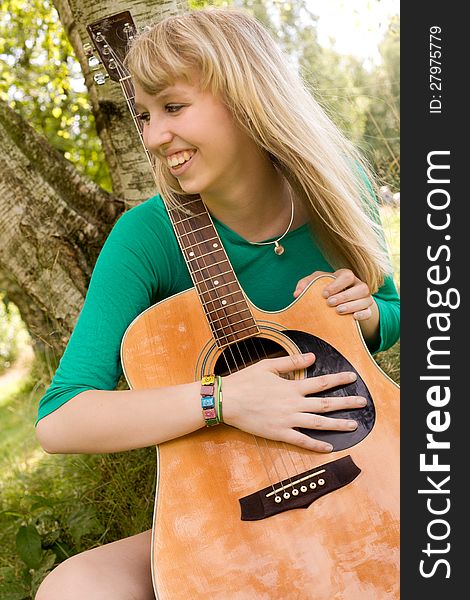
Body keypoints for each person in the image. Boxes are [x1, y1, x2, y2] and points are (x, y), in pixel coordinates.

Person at [35, 7, 400, 599]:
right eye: (147, 116)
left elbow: (392, 311)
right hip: (235, 501)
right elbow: (60, 419)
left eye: (173, 108)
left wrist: (367, 313)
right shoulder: (145, 237)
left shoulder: (338, 182)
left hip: (362, 459)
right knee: (73, 588)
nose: (154, 136)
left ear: (246, 95)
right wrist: (223, 399)